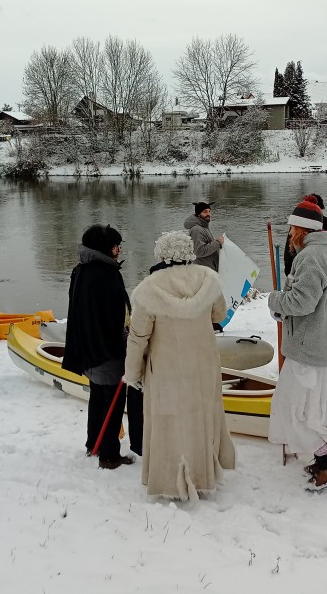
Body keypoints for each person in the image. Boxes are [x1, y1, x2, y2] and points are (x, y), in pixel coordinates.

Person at [125, 230, 236, 500]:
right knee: (200, 418)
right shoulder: (208, 280)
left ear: (162, 254)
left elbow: (138, 337)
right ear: (189, 252)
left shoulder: (149, 289)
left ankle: (167, 480)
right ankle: (202, 474)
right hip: (203, 365)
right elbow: (219, 314)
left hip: (166, 369)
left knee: (168, 422)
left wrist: (133, 373)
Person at [267, 199, 327, 491]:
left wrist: (274, 300)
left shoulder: (310, 257)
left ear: (302, 229)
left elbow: (302, 302)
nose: (290, 233)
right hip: (322, 344)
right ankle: (324, 460)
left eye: (292, 228)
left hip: (307, 347)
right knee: (317, 407)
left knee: (293, 409)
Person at [61, 224, 144, 469]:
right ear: (106, 248)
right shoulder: (105, 275)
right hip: (107, 350)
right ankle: (109, 455)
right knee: (112, 405)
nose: (119, 250)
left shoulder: (82, 270)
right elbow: (115, 318)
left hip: (89, 350)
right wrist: (128, 345)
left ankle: (93, 444)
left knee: (97, 398)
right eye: (116, 246)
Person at [283, 194, 327, 276]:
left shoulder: (297, 225)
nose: (291, 232)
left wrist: (289, 272)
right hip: (325, 271)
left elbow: (288, 253)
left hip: (294, 269)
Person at [184, 201, 223, 272]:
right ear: (198, 214)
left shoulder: (203, 227)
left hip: (207, 269)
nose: (208, 214)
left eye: (209, 211)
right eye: (205, 212)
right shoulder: (197, 230)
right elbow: (199, 251)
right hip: (202, 272)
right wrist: (217, 243)